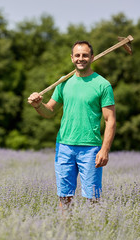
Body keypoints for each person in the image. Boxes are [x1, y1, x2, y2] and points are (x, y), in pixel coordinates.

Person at [27, 40, 116, 210]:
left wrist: (104, 149)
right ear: (72, 58)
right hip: (64, 146)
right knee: (64, 196)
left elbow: (110, 120)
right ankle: (66, 232)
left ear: (92, 57)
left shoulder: (102, 85)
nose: (80, 58)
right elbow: (50, 111)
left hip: (90, 149)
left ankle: (93, 233)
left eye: (84, 55)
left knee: (93, 198)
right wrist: (38, 105)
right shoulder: (64, 82)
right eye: (77, 55)